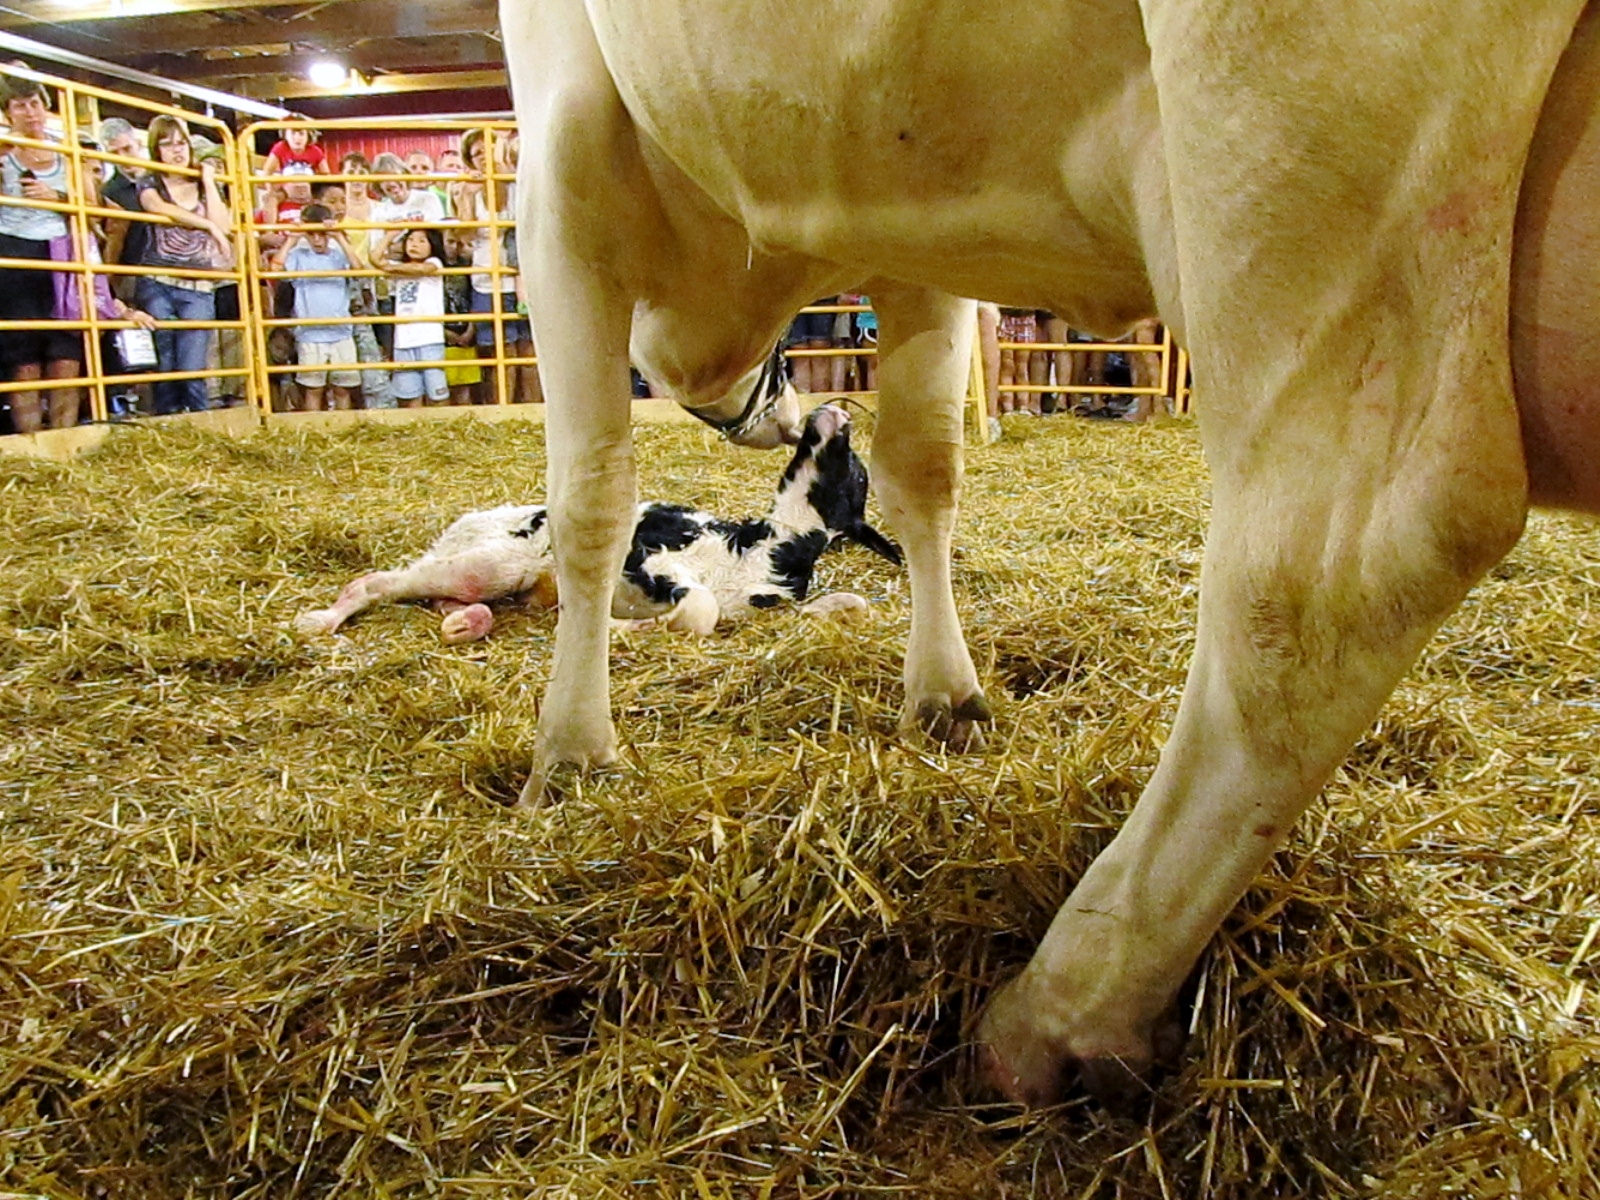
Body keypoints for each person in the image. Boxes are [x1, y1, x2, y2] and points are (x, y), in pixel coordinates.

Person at [0, 75, 88, 432]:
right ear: (8, 113)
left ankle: (63, 439)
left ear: (46, 107)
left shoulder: (69, 154)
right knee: (23, 356)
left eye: (35, 103)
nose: (30, 112)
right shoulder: (3, 155)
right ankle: (31, 445)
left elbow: (92, 204)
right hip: (13, 252)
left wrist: (59, 199)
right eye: (20, 105)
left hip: (60, 251)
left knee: (65, 353)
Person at [136, 115, 232, 414]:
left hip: (198, 285)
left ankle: (199, 429)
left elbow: (224, 224)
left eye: (181, 144)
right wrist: (207, 226)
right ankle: (167, 426)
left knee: (193, 367)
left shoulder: (204, 187)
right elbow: (156, 206)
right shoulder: (150, 181)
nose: (176, 151)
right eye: (167, 145)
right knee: (164, 362)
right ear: (156, 151)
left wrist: (209, 181)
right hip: (157, 280)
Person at [454, 128, 538, 403]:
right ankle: (501, 409)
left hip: (523, 276)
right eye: (475, 154)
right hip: (487, 279)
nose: (482, 157)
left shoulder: (517, 183)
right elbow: (464, 236)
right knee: (498, 352)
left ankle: (532, 410)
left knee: (527, 351)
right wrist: (466, 196)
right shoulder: (470, 191)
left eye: (487, 149)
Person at [272, 202, 361, 411]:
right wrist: (292, 237)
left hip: (341, 331)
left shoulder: (339, 255)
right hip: (310, 333)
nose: (317, 240)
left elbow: (358, 268)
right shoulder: (298, 256)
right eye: (311, 235)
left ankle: (343, 427)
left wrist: (339, 236)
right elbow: (275, 269)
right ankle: (315, 429)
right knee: (313, 389)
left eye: (322, 234)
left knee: (342, 389)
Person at [380, 226, 449, 407]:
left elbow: (423, 269)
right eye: (410, 240)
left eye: (421, 241)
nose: (414, 244)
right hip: (403, 340)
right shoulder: (399, 268)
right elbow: (375, 259)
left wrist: (389, 267)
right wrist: (389, 236)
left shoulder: (435, 262)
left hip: (429, 338)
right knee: (410, 396)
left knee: (437, 395)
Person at [441, 227, 481, 405]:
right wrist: (443, 331)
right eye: (449, 241)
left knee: (465, 387)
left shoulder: (467, 267)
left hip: (466, 331)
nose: (454, 247)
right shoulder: (434, 267)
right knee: (444, 387)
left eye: (458, 243)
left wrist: (471, 328)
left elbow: (473, 298)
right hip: (443, 334)